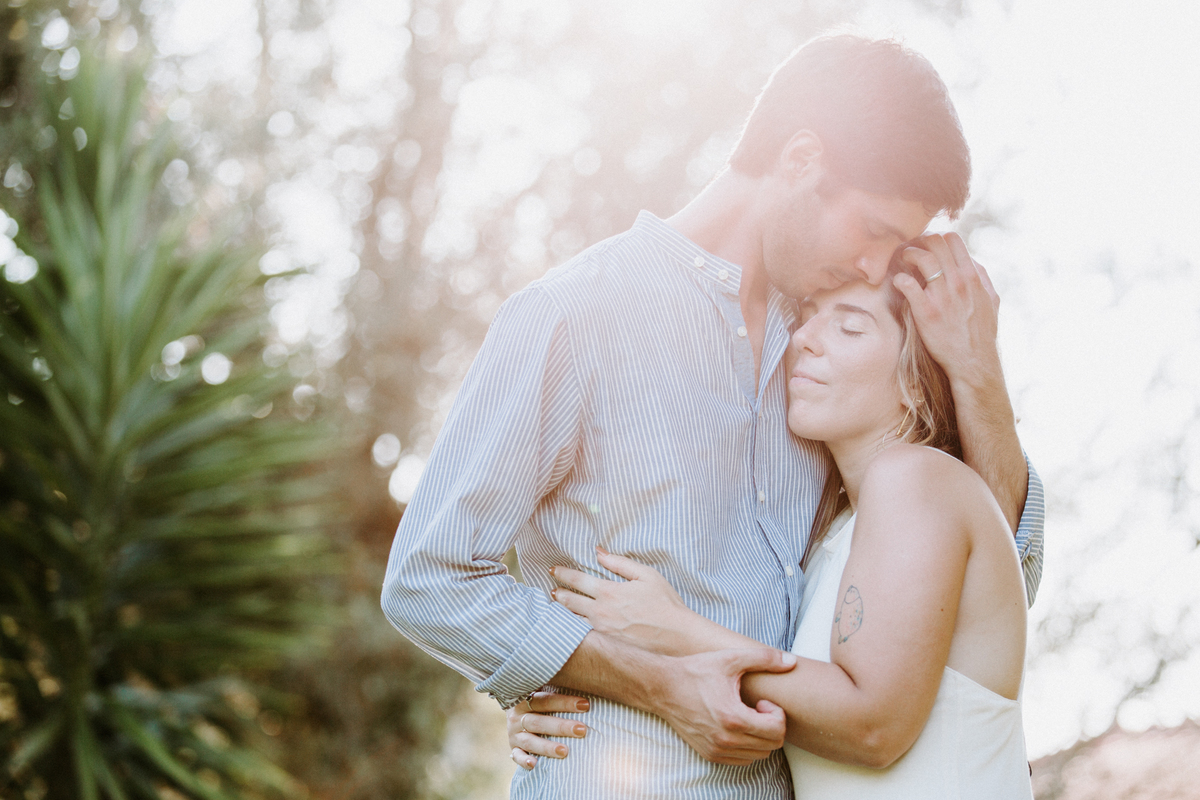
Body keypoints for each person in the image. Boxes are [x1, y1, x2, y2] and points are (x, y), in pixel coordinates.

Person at [381, 34, 1044, 799]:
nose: (874, 267)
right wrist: (638, 679)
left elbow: (998, 582)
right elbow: (429, 578)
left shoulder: (825, 355)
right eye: (874, 231)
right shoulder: (573, 315)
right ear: (799, 161)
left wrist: (976, 373)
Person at [507, 257, 1035, 798]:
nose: (803, 338)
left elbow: (875, 727)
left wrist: (675, 631)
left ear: (918, 383)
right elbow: (805, 704)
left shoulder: (916, 478)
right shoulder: (836, 536)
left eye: (850, 326)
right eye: (807, 317)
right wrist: (579, 683)